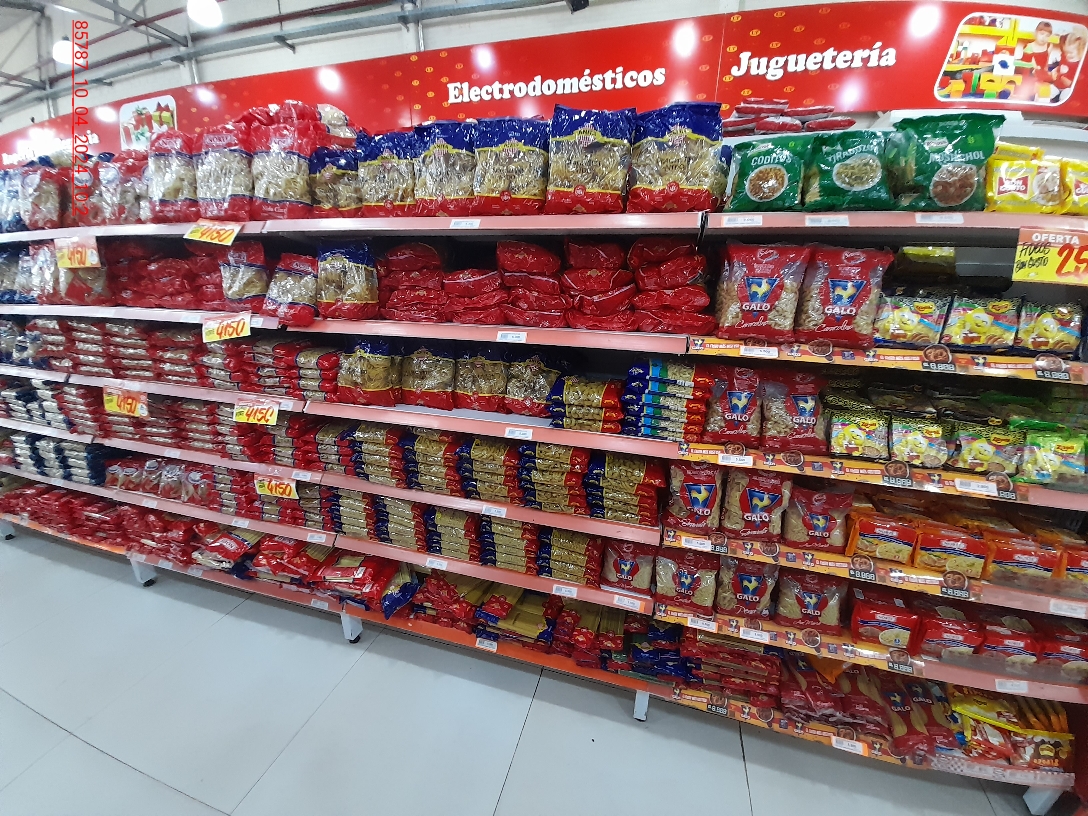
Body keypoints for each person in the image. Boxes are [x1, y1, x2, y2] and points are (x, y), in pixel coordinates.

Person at [1052, 25, 1087, 102]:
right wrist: (1056, 69)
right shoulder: (1065, 57)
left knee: (1065, 97)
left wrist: (1070, 82)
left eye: (1070, 53)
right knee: (1045, 92)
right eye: (1065, 52)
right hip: (1057, 85)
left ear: (1080, 50)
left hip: (1069, 88)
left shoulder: (1081, 64)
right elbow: (1060, 66)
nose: (1067, 55)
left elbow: (1081, 82)